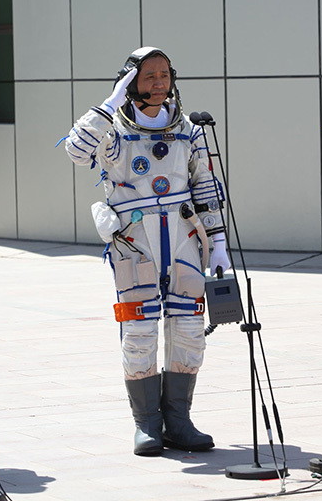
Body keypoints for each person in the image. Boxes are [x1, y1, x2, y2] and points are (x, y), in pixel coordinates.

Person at [65, 47, 229, 456]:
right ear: (130, 82)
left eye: (164, 75)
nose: (158, 83)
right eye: (148, 76)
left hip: (185, 238)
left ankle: (179, 420)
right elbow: (74, 149)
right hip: (134, 243)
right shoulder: (112, 130)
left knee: (189, 331)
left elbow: (205, 186)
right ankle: (146, 424)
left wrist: (220, 242)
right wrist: (110, 103)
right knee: (139, 332)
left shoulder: (189, 129)